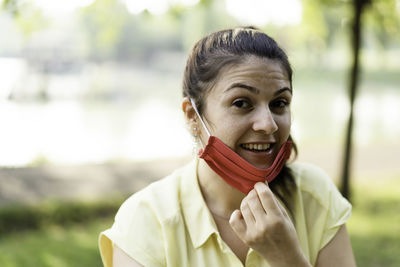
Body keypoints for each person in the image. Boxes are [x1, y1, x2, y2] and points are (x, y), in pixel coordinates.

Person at [99, 27, 356, 267]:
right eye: (242, 103)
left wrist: (287, 259)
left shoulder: (316, 196)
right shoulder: (146, 220)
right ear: (192, 116)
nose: (268, 125)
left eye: (279, 103)